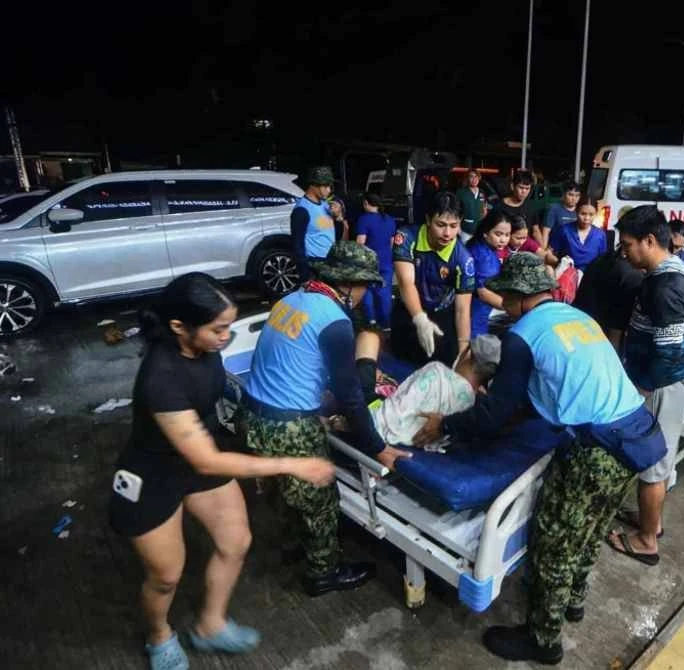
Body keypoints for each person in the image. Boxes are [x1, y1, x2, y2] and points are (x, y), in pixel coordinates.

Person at [411, 253, 666, 664]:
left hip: (595, 449)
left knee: (554, 546)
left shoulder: (522, 334)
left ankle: (542, 640)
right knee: (591, 527)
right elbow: (557, 381)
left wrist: (447, 425)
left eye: (507, 298)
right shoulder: (578, 317)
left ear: (521, 297)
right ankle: (573, 601)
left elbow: (494, 414)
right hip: (636, 434)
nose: (504, 305)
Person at [109, 273, 335, 670]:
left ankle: (210, 624)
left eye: (229, 326)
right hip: (154, 472)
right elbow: (206, 461)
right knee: (166, 574)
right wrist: (290, 463)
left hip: (201, 452)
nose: (225, 337)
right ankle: (159, 635)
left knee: (235, 541)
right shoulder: (161, 377)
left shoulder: (205, 346)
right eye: (218, 329)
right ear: (179, 327)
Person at [242, 242, 411, 597]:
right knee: (320, 499)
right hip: (289, 426)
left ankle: (294, 545)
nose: (366, 294)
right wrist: (378, 448)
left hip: (253, 414)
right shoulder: (334, 321)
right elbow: (351, 396)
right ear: (348, 285)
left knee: (286, 490)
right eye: (365, 286)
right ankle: (324, 571)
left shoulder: (290, 300)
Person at [605, 206, 684, 565]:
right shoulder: (672, 273)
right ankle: (652, 522)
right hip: (663, 381)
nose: (624, 251)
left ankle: (647, 540)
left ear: (649, 240)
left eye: (628, 244)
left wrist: (642, 389)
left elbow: (672, 356)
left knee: (652, 465)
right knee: (657, 462)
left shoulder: (667, 287)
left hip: (662, 386)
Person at [350, 333, 502, 449]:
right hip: (409, 441)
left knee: (368, 337)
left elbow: (388, 417)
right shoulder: (477, 409)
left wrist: (352, 420)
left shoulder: (437, 373)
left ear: (468, 354)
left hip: (374, 425)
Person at [391, 191, 475, 366]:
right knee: (401, 365)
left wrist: (463, 350)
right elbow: (406, 283)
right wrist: (420, 319)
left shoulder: (464, 259)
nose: (447, 233)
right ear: (428, 220)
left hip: (442, 314)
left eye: (454, 226)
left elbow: (462, 309)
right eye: (441, 224)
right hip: (409, 310)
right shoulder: (406, 238)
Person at [573, 245, 644, 352]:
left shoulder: (600, 260)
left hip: (577, 337)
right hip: (603, 345)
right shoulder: (632, 276)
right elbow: (615, 332)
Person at [467, 210, 513, 337]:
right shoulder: (483, 256)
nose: (503, 240)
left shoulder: (483, 247)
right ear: (486, 233)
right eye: (498, 234)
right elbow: (483, 293)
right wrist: (514, 308)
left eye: (507, 235)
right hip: (476, 311)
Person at [355, 192, 396, 329]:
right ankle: (386, 323)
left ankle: (371, 320)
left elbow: (360, 242)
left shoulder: (364, 219)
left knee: (367, 290)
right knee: (385, 292)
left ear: (366, 203)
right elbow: (391, 243)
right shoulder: (389, 219)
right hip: (386, 261)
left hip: (368, 262)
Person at [290, 166, 336, 279]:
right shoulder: (302, 210)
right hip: (314, 266)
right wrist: (305, 276)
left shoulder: (325, 204)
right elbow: (297, 245)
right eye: (325, 186)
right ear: (313, 186)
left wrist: (337, 214)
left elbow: (328, 230)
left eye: (330, 186)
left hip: (330, 262)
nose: (329, 190)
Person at [547, 197, 607, 273]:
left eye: (591, 215)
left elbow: (603, 260)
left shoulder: (600, 235)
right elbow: (549, 252)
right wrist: (559, 263)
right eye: (583, 214)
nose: (587, 218)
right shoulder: (564, 230)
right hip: (567, 275)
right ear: (576, 211)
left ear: (596, 214)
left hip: (591, 277)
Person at [535, 182, 580, 249]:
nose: (574, 198)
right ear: (564, 194)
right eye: (570, 195)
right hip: (556, 248)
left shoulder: (581, 210)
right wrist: (544, 251)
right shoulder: (554, 209)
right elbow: (546, 232)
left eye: (577, 196)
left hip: (575, 248)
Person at [456, 168, 489, 243]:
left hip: (479, 230)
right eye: (471, 176)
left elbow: (485, 207)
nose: (474, 179)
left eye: (476, 177)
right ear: (467, 178)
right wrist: (458, 227)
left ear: (479, 178)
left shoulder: (482, 192)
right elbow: (456, 211)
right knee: (465, 252)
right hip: (465, 229)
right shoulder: (461, 192)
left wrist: (485, 212)